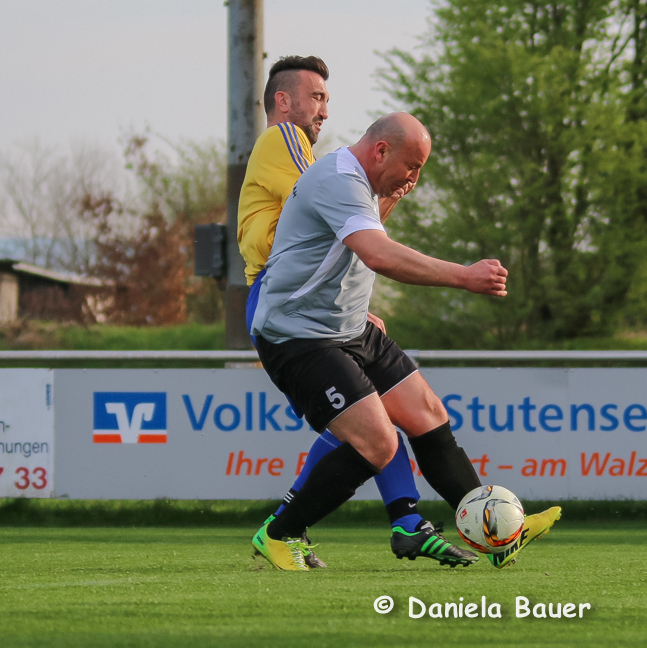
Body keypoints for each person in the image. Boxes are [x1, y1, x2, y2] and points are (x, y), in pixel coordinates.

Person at [249, 112, 560, 571]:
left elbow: (347, 248)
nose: (415, 177)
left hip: (351, 330)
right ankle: (280, 534)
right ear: (381, 151)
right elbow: (378, 255)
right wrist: (465, 276)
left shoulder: (360, 183)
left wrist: (390, 197)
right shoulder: (338, 179)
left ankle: (496, 534)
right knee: (377, 443)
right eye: (412, 166)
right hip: (299, 337)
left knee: (428, 415)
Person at [239, 57, 471, 568]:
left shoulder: (311, 157)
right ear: (283, 101)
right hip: (285, 300)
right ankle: (306, 527)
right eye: (317, 96)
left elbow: (347, 230)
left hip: (317, 301)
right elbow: (332, 207)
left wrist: (356, 306)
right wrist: (462, 274)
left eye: (326, 98)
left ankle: (410, 522)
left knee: (372, 421)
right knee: (369, 428)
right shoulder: (285, 140)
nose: (325, 109)